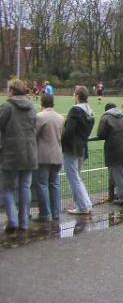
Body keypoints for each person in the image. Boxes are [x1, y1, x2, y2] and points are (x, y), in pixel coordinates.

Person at [0, 80, 38, 233]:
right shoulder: (32, 108)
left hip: (11, 153)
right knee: (25, 187)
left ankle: (13, 219)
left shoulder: (7, 107)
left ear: (12, 91)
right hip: (30, 152)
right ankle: (24, 222)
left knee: (7, 188)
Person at [62, 85, 95, 215]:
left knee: (74, 178)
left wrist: (61, 141)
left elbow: (69, 131)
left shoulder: (75, 110)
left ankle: (84, 206)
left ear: (77, 96)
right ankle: (84, 204)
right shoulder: (90, 111)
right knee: (76, 177)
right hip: (82, 147)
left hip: (72, 148)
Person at [33, 94, 64, 222]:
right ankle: (56, 213)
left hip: (43, 155)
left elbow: (34, 135)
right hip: (57, 154)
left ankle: (45, 214)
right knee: (54, 184)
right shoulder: (60, 118)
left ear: (42, 103)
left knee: (42, 184)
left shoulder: (39, 117)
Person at [97, 103, 123, 207]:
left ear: (106, 110)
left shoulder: (105, 117)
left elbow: (100, 134)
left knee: (118, 174)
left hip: (114, 150)